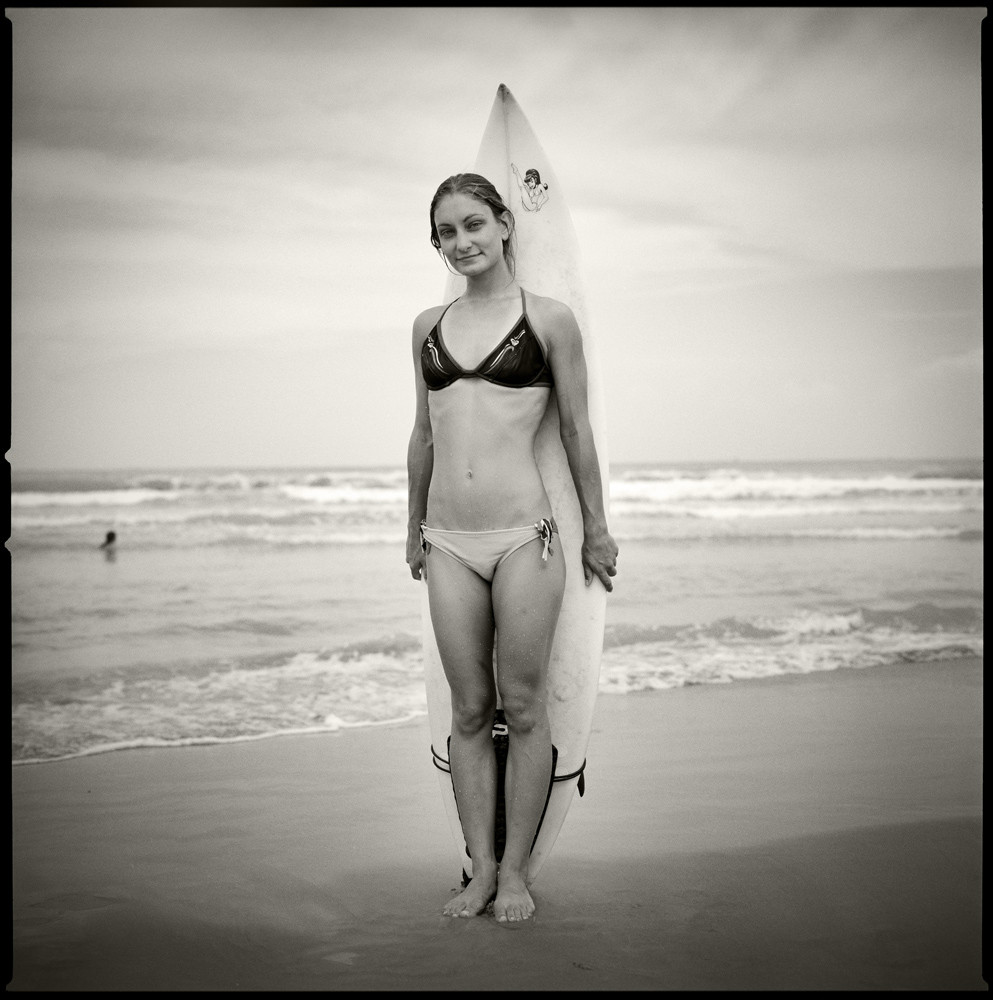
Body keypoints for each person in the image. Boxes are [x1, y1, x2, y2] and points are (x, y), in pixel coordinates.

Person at [406, 173, 618, 923]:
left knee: (524, 708)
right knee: (468, 710)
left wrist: (595, 527)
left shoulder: (549, 319)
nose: (460, 242)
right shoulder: (425, 325)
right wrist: (411, 527)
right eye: (445, 233)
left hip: (524, 537)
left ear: (503, 224)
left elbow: (575, 431)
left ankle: (520, 872)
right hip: (449, 542)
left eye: (472, 225)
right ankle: (481, 868)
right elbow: (425, 433)